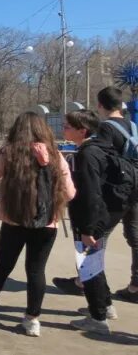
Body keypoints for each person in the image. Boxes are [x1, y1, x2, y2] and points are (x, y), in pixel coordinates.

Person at [0, 112, 76, 337]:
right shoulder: (56, 155)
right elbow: (70, 192)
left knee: (2, 266)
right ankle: (32, 319)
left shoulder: (10, 154)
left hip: (13, 220)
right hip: (47, 224)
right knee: (36, 270)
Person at [53, 87, 138, 304]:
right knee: (135, 238)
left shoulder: (105, 130)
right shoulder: (133, 126)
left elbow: (98, 165)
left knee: (93, 241)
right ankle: (135, 285)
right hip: (133, 190)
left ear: (100, 105)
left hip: (113, 193)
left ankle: (88, 286)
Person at [62, 110, 123, 334]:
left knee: (88, 267)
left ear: (82, 130)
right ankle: (105, 306)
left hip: (90, 221)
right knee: (94, 264)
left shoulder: (86, 155)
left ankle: (97, 318)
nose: (63, 129)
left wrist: (88, 229)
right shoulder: (99, 150)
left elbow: (90, 194)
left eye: (68, 126)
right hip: (102, 216)